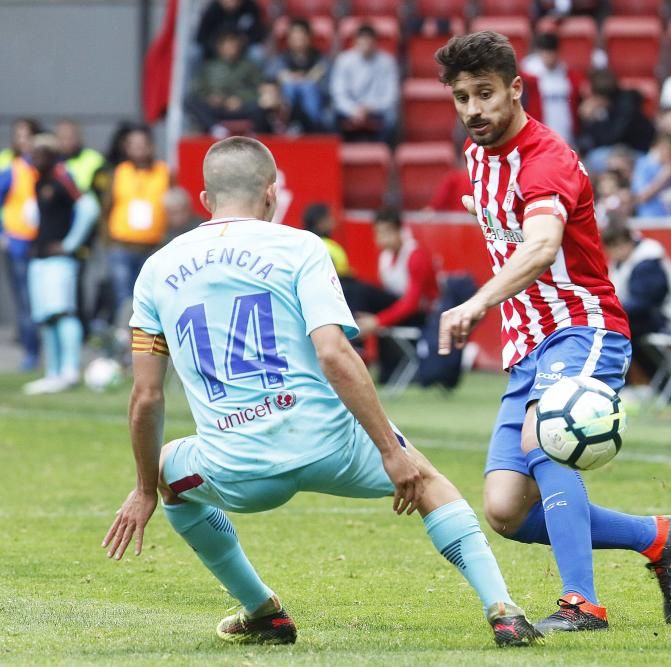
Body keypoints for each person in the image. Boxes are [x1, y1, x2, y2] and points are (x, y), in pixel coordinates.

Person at [101, 136, 542, 648]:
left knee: (167, 473)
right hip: (330, 445)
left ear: (205, 200)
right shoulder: (301, 246)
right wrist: (391, 452)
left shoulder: (156, 269)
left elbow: (146, 398)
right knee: (428, 482)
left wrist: (143, 488)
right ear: (271, 194)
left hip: (235, 464)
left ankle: (261, 610)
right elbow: (334, 354)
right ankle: (503, 610)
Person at [434, 31, 671, 634]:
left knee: (543, 437)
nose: (473, 109)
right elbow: (500, 213)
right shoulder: (477, 154)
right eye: (461, 97)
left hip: (582, 325)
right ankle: (657, 537)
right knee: (503, 510)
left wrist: (476, 303)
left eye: (485, 93)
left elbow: (544, 244)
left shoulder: (547, 158)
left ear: (516, 89)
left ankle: (583, 603)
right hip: (527, 346)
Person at [21, 134, 99, 394]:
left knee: (63, 313)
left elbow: (89, 207)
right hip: (40, 257)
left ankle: (69, 371)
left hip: (59, 260)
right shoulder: (38, 181)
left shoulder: (61, 178)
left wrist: (70, 243)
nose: (36, 156)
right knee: (46, 318)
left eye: (42, 151)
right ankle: (52, 373)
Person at [344, 209, 439, 385]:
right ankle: (355, 346)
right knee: (350, 285)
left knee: (360, 291)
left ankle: (356, 348)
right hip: (399, 310)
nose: (381, 238)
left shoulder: (415, 256)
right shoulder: (385, 257)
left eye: (386, 232)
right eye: (378, 233)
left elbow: (413, 303)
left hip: (421, 315)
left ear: (399, 231)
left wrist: (378, 321)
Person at [602, 224, 671, 382]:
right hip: (650, 318)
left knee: (616, 330)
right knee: (615, 327)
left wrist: (610, 311)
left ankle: (621, 385)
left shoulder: (648, 259)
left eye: (612, 248)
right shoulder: (623, 261)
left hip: (670, 319)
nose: (610, 254)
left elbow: (644, 302)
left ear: (623, 243)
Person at [104, 125, 171, 323]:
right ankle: (124, 342)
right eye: (133, 145)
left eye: (143, 144)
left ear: (151, 146)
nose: (139, 149)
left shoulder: (164, 172)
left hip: (154, 246)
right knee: (123, 298)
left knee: (150, 298)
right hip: (121, 245)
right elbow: (107, 206)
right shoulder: (119, 172)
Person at [0, 117, 41, 370]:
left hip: (44, 246)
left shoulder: (50, 167)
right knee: (25, 301)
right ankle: (31, 352)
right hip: (18, 244)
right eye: (20, 136)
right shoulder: (12, 169)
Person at [186, 29, 264, 135]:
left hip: (241, 107)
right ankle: (215, 129)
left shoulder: (248, 66)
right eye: (226, 44)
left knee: (259, 107)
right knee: (190, 101)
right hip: (217, 108)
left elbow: (259, 89)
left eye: (233, 43)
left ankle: (255, 133)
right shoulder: (209, 67)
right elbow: (199, 90)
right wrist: (210, 97)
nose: (230, 47)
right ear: (219, 47)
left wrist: (241, 99)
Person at [331, 24, 399, 143]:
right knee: (328, 117)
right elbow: (338, 94)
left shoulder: (387, 62)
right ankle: (338, 153)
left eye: (369, 41)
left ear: (375, 43)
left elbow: (390, 97)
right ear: (355, 42)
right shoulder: (343, 60)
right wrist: (353, 109)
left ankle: (382, 154)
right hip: (350, 109)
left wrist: (370, 108)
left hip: (375, 109)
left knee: (391, 119)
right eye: (362, 41)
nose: (366, 45)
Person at [520, 32, 583, 144]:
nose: (549, 57)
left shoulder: (569, 76)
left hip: (567, 137)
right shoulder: (530, 76)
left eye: (552, 53)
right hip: (539, 137)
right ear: (539, 53)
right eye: (546, 53)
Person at [267, 18, 331, 130]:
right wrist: (290, 78)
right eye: (295, 37)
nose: (299, 40)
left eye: (302, 37)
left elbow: (326, 86)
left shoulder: (320, 59)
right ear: (289, 39)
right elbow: (271, 80)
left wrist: (306, 81)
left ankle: (312, 127)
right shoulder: (281, 59)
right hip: (287, 100)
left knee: (308, 88)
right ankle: (288, 125)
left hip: (315, 101)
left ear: (309, 38)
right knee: (290, 87)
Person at [301, 202, 349, 277]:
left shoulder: (307, 243)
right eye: (329, 217)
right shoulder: (319, 247)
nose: (333, 220)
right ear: (320, 223)